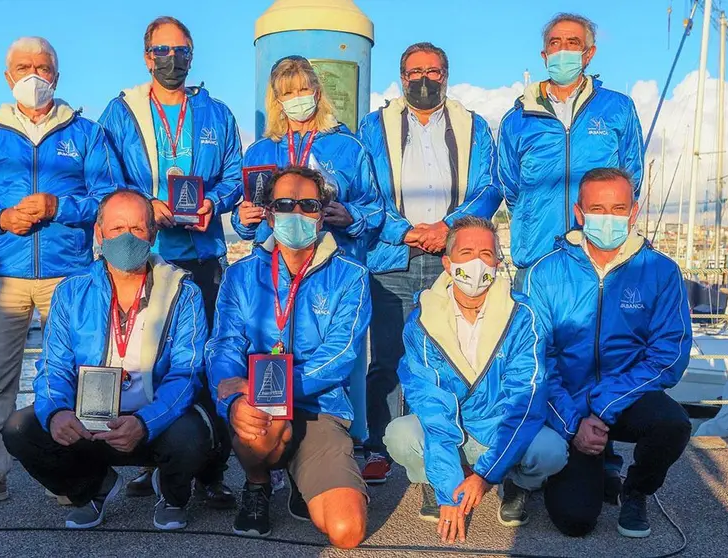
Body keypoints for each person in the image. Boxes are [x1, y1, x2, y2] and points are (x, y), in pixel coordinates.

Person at [0, 37, 120, 510]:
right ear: (8, 76)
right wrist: (0, 218)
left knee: (73, 375)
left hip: (70, 275)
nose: (34, 75)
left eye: (43, 67)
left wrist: (59, 206)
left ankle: (68, 470)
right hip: (5, 274)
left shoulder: (86, 133)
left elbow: (109, 198)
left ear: (56, 76)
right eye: (24, 67)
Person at [2, 190, 215, 531]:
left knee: (195, 432)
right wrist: (57, 412)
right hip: (91, 419)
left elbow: (186, 373)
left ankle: (172, 493)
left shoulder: (183, 292)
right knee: (20, 428)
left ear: (153, 234)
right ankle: (93, 487)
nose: (127, 238)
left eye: (137, 228)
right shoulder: (71, 291)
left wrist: (146, 422)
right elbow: (53, 367)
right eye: (116, 229)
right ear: (99, 233)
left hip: (154, 419)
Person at [99, 15, 240, 505]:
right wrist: (146, 205)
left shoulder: (217, 114)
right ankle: (151, 462)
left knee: (208, 364)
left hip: (203, 257)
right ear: (147, 57)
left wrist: (214, 202)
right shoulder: (121, 113)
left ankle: (212, 470)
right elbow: (105, 179)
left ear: (192, 55)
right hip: (146, 258)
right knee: (145, 363)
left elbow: (235, 175)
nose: (172, 59)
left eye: (181, 51)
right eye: (162, 51)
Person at [357, 42, 501, 484]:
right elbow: (364, 191)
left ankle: (448, 442)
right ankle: (380, 447)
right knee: (387, 358)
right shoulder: (373, 127)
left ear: (446, 75)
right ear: (402, 77)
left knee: (451, 356)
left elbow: (490, 187)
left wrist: (449, 228)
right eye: (415, 71)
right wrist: (403, 230)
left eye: (433, 71)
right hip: (392, 258)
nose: (424, 79)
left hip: (449, 260)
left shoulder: (473, 127)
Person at [523, 168, 692, 538]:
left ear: (633, 212)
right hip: (568, 403)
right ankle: (582, 462)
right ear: (579, 213)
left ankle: (636, 490)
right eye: (597, 209)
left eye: (618, 208)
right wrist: (573, 424)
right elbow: (535, 360)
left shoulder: (660, 271)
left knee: (674, 424)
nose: (608, 218)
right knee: (575, 522)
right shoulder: (545, 273)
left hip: (625, 396)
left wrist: (603, 404)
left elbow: (669, 354)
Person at [207, 167, 370, 549]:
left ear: (322, 214)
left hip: (320, 409)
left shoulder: (351, 276)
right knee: (265, 420)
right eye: (284, 204)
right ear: (268, 214)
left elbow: (341, 355)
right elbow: (224, 347)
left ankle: (302, 477)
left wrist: (269, 387)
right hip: (260, 410)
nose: (296, 213)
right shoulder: (241, 275)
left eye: (308, 205)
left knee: (347, 532)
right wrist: (232, 400)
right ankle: (257, 483)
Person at [383, 217, 567, 542]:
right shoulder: (421, 322)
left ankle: (516, 484)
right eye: (466, 253)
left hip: (499, 430)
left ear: (497, 262)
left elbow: (525, 403)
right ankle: (434, 481)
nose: (476, 263)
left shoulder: (523, 317)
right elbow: (431, 406)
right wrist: (448, 489)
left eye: (486, 254)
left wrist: (485, 475)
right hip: (452, 429)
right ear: (447, 262)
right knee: (400, 434)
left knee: (551, 450)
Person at [498, 13, 644, 277]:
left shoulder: (618, 108)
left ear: (589, 54)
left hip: (600, 255)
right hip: (536, 255)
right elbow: (510, 187)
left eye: (572, 42)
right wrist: (532, 218)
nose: (562, 49)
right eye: (555, 43)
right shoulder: (517, 119)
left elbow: (631, 176)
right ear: (544, 55)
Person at [232, 55, 383, 262]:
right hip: (273, 263)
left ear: (317, 93)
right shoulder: (259, 152)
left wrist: (351, 216)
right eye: (288, 93)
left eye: (303, 89)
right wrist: (242, 218)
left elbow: (374, 209)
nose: (297, 98)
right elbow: (246, 216)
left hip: (331, 262)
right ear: (278, 101)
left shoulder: (349, 146)